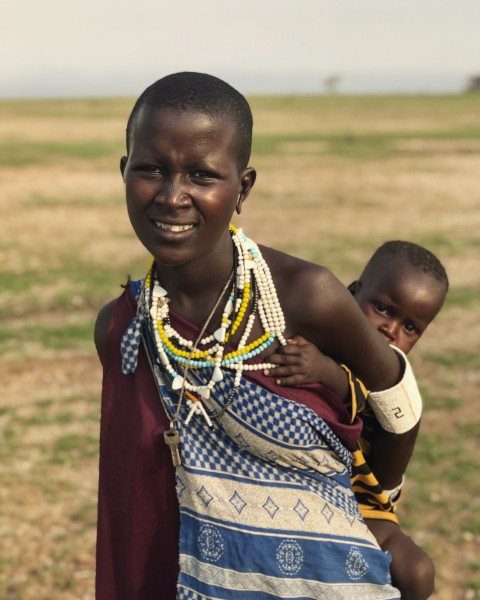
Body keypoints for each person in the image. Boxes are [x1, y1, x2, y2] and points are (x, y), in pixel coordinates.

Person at [94, 71, 424, 599]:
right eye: (151, 169)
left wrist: (375, 511)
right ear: (124, 172)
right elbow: (131, 501)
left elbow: (398, 405)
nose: (173, 196)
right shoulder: (124, 327)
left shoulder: (306, 296)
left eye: (202, 176)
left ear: (242, 187)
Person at [266, 240, 449, 600]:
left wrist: (327, 371)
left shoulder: (392, 378)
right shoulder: (324, 336)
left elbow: (364, 402)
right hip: (301, 490)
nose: (391, 330)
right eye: (382, 308)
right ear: (350, 294)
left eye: (410, 327)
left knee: (417, 571)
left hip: (363, 504)